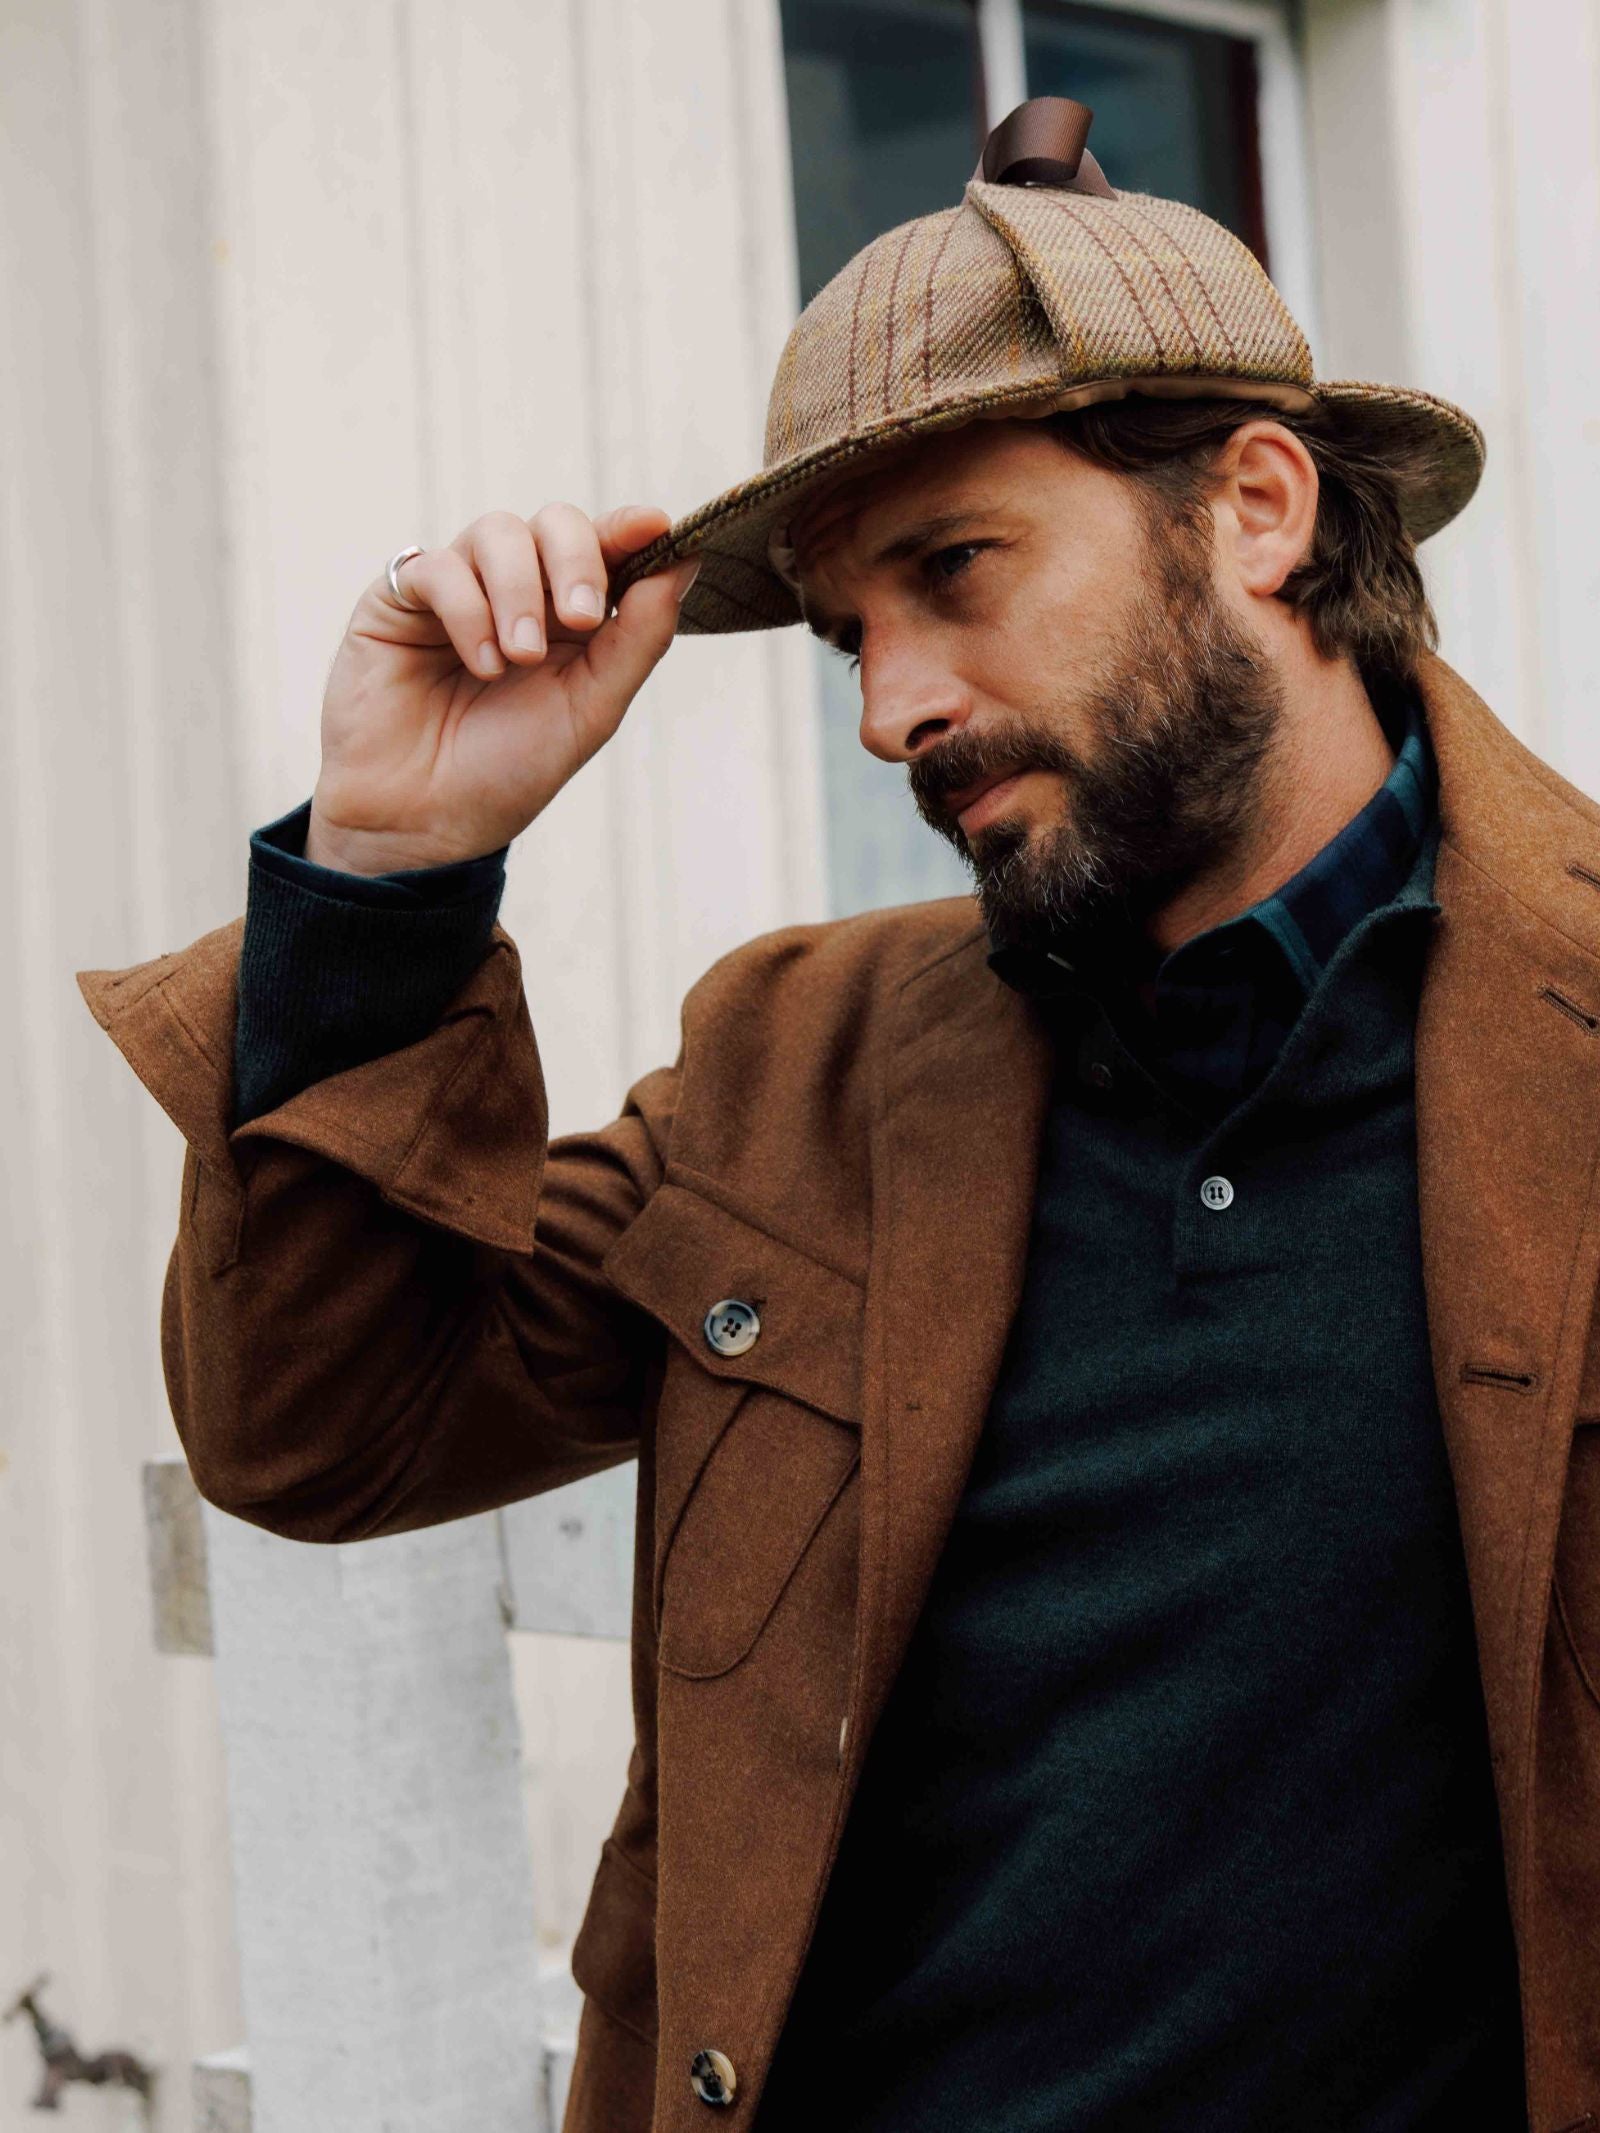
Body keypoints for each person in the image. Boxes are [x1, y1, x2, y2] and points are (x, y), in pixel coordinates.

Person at [77, 96, 1600, 2132]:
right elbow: (320, 1434)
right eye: (846, 635)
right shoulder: (792, 1064)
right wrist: (388, 866)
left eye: (952, 570)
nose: (888, 706)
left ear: (1254, 507)